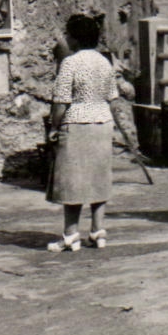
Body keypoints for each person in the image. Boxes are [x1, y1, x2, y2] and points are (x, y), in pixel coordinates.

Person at [44, 15, 119, 252]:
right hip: (103, 120)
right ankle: (98, 232)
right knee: (99, 177)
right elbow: (112, 96)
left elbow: (61, 102)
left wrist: (54, 128)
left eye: (68, 34)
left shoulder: (70, 63)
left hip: (76, 123)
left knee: (72, 180)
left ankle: (70, 235)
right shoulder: (104, 61)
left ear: (75, 38)